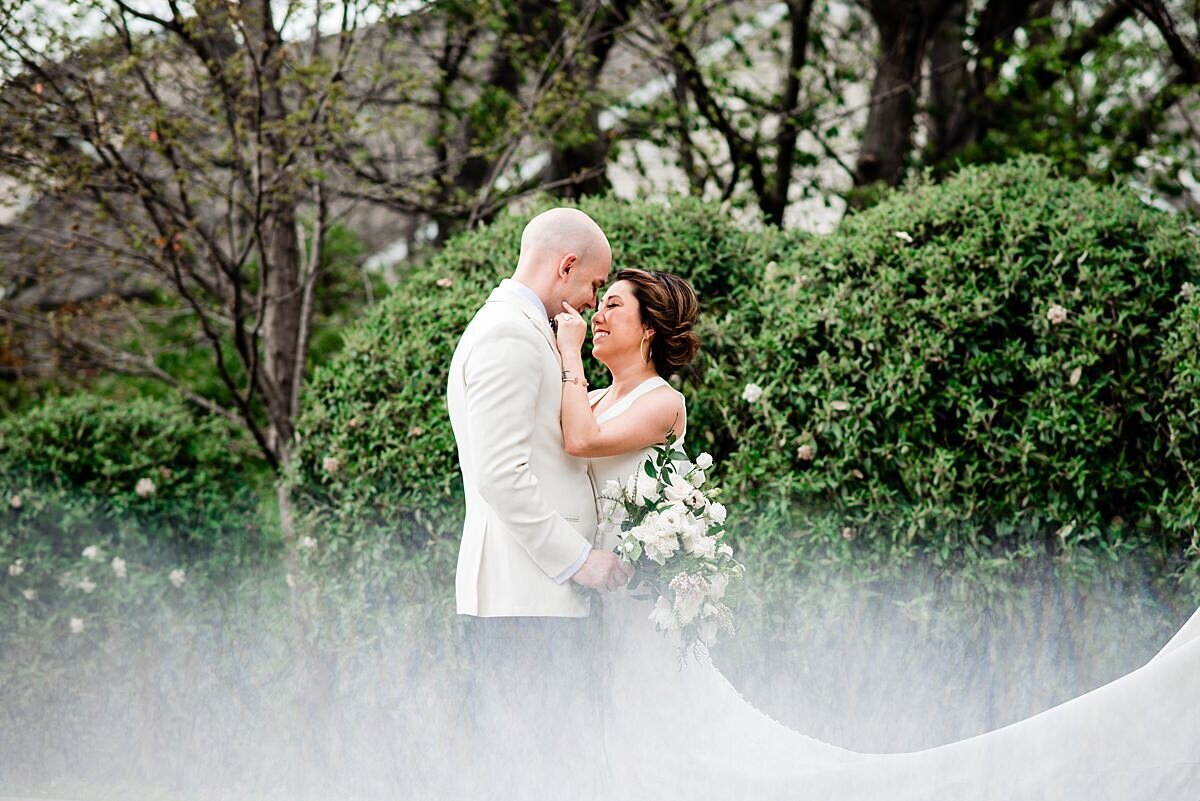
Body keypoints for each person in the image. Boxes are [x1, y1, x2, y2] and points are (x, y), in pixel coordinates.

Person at [552, 267, 1200, 801]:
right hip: (612, 591)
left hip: (642, 602)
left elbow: (579, 440)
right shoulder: (605, 397)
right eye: (598, 305)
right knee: (628, 722)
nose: (598, 314)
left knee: (681, 735)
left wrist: (566, 354)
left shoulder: (660, 400)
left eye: (613, 304)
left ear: (650, 326)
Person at [445, 207, 633, 800]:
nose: (592, 298)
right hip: (524, 601)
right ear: (567, 265)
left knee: (549, 772)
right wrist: (579, 560)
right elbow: (500, 472)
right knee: (539, 775)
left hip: (533, 599)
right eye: (594, 285)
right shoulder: (506, 334)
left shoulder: (523, 331)